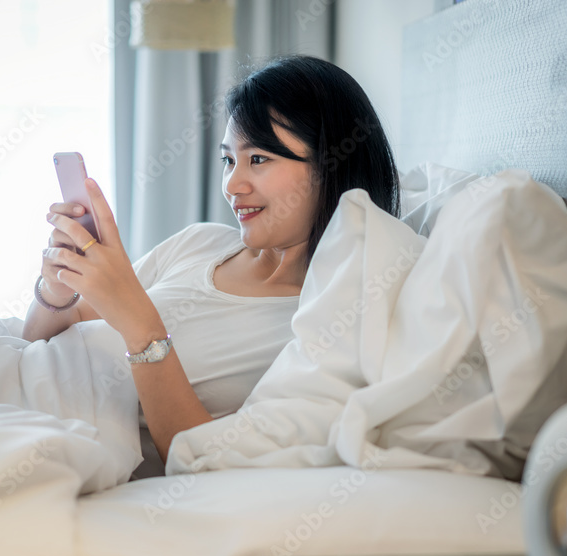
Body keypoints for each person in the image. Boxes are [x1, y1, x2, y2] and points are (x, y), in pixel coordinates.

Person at [21, 54, 400, 477]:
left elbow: (199, 457)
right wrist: (55, 287)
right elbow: (31, 343)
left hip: (35, 435)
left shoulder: (318, 326)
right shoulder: (199, 242)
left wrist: (140, 326)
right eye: (228, 160)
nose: (233, 186)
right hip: (10, 384)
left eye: (258, 159)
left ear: (332, 164)